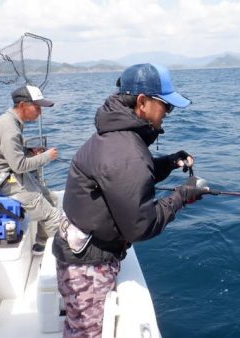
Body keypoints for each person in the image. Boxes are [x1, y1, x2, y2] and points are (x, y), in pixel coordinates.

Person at [52, 63, 208, 337]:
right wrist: (182, 195)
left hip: (80, 252)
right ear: (142, 102)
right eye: (166, 106)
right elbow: (141, 226)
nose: (168, 114)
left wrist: (170, 162)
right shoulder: (125, 150)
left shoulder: (116, 137)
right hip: (87, 265)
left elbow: (128, 180)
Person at [0, 85, 61, 254]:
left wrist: (30, 152)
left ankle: (40, 245)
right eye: (37, 107)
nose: (40, 112)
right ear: (23, 105)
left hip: (11, 174)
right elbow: (19, 165)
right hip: (6, 181)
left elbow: (8, 155)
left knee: (52, 199)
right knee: (54, 217)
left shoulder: (10, 122)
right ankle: (58, 258)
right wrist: (47, 156)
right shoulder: (10, 128)